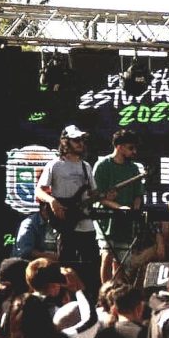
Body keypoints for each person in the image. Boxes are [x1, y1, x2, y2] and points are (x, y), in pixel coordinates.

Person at [34, 124, 100, 294]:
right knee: (66, 265)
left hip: (85, 222)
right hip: (65, 222)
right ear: (66, 142)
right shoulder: (55, 165)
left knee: (91, 265)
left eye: (82, 140)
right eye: (76, 140)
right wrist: (52, 202)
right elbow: (39, 190)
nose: (80, 143)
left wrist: (105, 195)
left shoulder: (86, 166)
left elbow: (93, 193)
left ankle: (91, 297)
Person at [94, 129, 145, 282]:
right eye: (130, 148)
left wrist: (134, 213)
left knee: (122, 262)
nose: (133, 152)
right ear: (119, 146)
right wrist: (118, 207)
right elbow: (99, 197)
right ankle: (105, 294)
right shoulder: (102, 165)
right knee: (107, 255)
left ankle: (119, 292)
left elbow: (138, 195)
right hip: (106, 221)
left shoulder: (133, 168)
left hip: (126, 221)